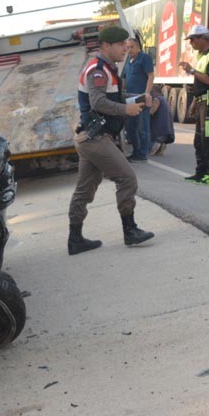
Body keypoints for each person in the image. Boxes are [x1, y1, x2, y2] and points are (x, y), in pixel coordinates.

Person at [67, 25, 155, 255]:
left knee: (84, 190)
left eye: (126, 45)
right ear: (106, 45)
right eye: (120, 45)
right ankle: (130, 231)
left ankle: (75, 239)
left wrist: (138, 98)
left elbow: (111, 97)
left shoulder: (107, 68)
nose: (125, 49)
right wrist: (127, 109)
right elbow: (98, 102)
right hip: (96, 138)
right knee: (127, 178)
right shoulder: (98, 70)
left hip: (89, 137)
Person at [179, 25, 209, 184]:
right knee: (199, 141)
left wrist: (191, 70)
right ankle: (201, 172)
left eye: (192, 39)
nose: (191, 43)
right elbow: (199, 83)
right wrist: (194, 103)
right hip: (202, 102)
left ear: (202, 39)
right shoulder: (201, 56)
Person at [121, 37, 154, 161]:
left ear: (138, 47)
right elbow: (124, 78)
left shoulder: (145, 58)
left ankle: (142, 154)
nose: (129, 50)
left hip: (141, 97)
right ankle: (136, 151)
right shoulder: (127, 60)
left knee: (142, 127)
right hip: (129, 98)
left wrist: (147, 93)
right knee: (130, 127)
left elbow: (150, 76)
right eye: (127, 47)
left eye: (132, 47)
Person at [148, 85, 174, 156]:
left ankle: (156, 145)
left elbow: (152, 112)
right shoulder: (163, 99)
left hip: (159, 126)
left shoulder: (156, 99)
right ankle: (161, 144)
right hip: (166, 126)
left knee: (152, 144)